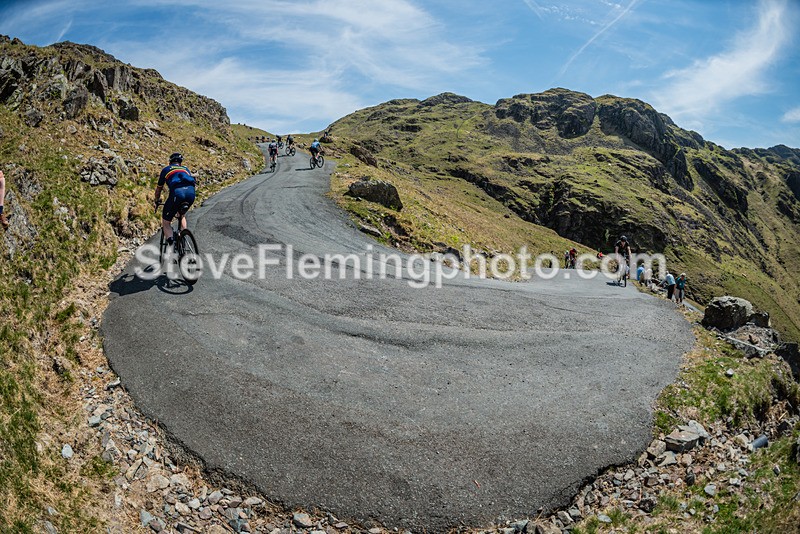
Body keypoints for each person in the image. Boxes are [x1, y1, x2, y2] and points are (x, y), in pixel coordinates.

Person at [153, 152, 196, 245]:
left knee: (166, 222)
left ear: (170, 162)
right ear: (180, 163)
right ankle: (183, 237)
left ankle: (172, 243)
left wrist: (156, 200)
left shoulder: (166, 170)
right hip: (191, 193)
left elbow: (159, 189)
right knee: (182, 215)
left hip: (177, 194)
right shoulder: (186, 169)